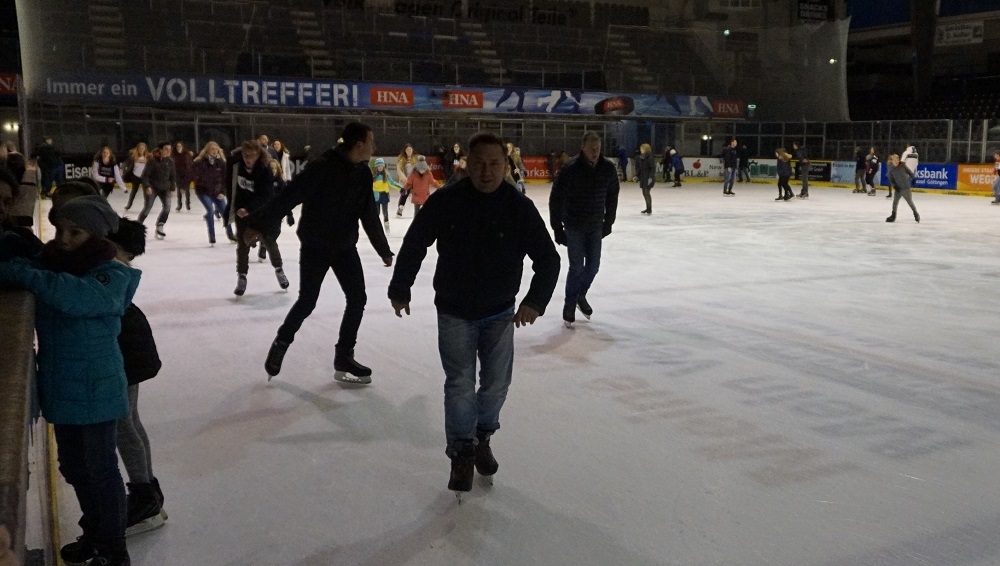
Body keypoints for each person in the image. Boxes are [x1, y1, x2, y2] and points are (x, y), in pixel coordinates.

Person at [387, 132, 559, 495]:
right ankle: (462, 450)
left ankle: (482, 437)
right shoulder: (447, 200)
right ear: (467, 163)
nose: (486, 171)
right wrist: (400, 287)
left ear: (505, 165)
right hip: (454, 310)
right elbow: (415, 243)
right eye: (479, 163)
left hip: (500, 312)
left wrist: (535, 301)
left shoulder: (518, 207)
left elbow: (548, 259)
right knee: (460, 383)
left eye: (494, 164)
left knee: (496, 384)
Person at [0, 195, 139, 566]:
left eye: (75, 232)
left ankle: (114, 548)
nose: (63, 238)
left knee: (101, 469)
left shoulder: (111, 273)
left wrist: (26, 274)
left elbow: (76, 297)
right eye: (60, 229)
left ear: (95, 235)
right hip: (61, 385)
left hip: (97, 386)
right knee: (73, 467)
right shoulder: (52, 263)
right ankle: (94, 531)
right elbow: (27, 268)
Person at [246, 122, 393, 384]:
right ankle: (281, 342)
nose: (374, 147)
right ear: (359, 144)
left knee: (357, 298)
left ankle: (344, 356)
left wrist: (383, 248)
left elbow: (369, 214)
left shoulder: (363, 173)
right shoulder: (322, 167)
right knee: (307, 301)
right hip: (316, 246)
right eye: (371, 142)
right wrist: (257, 224)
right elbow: (289, 196)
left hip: (344, 247)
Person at [106, 217, 168, 537]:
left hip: (127, 348)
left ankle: (145, 497)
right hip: (132, 345)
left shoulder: (112, 269)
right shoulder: (116, 267)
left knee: (123, 424)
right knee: (131, 420)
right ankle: (149, 492)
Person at [549, 131, 619, 327]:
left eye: (598, 148)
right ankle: (569, 305)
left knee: (593, 266)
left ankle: (580, 294)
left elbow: (612, 196)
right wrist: (557, 227)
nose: (595, 152)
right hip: (574, 226)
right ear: (583, 148)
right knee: (576, 267)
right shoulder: (570, 168)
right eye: (592, 148)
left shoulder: (607, 168)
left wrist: (609, 222)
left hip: (595, 225)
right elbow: (556, 198)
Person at [231, 140, 286, 296]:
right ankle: (242, 276)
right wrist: (235, 209)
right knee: (242, 245)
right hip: (242, 214)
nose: (248, 159)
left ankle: (279, 269)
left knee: (269, 242)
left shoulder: (264, 170)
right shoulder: (237, 166)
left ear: (258, 155)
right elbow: (232, 188)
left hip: (262, 214)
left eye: (252, 156)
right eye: (245, 155)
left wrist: (249, 209)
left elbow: (266, 196)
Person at [138, 142, 177, 239]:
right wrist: (147, 186)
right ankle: (138, 226)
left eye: (170, 149)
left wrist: (173, 188)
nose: (168, 151)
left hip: (165, 188)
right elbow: (145, 176)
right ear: (161, 150)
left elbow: (173, 176)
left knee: (167, 207)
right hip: (153, 187)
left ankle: (160, 225)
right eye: (166, 149)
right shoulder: (152, 161)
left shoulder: (170, 162)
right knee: (148, 208)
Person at [885, 153, 919, 223]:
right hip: (898, 189)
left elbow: (909, 172)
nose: (896, 161)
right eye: (895, 160)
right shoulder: (891, 169)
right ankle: (893, 216)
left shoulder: (903, 166)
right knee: (895, 202)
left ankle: (916, 213)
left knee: (910, 202)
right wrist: (895, 186)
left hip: (906, 188)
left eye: (897, 160)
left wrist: (913, 177)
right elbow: (891, 179)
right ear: (892, 161)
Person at [372, 157, 403, 230]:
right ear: (376, 167)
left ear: (383, 166)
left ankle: (386, 224)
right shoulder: (373, 176)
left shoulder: (386, 175)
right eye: (378, 166)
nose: (380, 167)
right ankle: (376, 226)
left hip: (384, 196)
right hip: (376, 196)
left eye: (381, 166)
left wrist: (401, 188)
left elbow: (392, 183)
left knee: (385, 212)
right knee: (377, 212)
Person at [122, 143, 150, 211]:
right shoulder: (134, 156)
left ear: (145, 149)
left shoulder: (148, 157)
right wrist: (122, 168)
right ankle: (129, 205)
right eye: (140, 148)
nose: (141, 150)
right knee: (134, 191)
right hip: (136, 176)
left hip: (144, 177)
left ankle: (147, 206)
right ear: (137, 149)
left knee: (146, 192)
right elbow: (126, 163)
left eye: (143, 148)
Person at [395, 143, 417, 217]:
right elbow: (399, 170)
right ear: (405, 150)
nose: (409, 151)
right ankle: (400, 209)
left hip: (414, 181)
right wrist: (404, 179)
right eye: (407, 149)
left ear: (412, 150)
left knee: (417, 195)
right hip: (406, 181)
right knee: (404, 194)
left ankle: (417, 210)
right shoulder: (401, 159)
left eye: (410, 149)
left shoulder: (416, 158)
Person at [172, 141, 193, 211]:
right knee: (179, 189)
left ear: (182, 147)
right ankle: (179, 204)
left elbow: (191, 162)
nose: (178, 148)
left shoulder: (187, 154)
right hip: (178, 174)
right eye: (177, 146)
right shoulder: (174, 155)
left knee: (187, 189)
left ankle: (188, 204)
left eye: (180, 146)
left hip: (186, 173)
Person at [636, 143, 655, 214]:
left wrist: (650, 177)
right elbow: (640, 168)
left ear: (645, 149)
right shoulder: (642, 157)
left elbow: (652, 168)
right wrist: (637, 175)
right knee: (644, 193)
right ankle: (647, 208)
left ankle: (649, 209)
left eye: (642, 149)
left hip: (648, 178)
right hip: (643, 177)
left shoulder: (650, 157)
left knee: (647, 192)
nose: (640, 150)